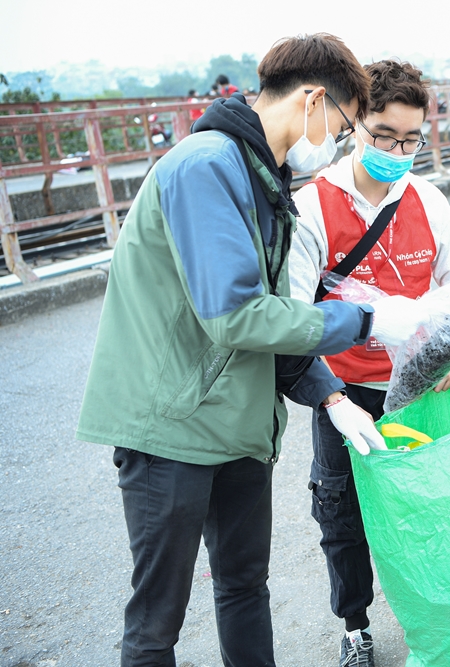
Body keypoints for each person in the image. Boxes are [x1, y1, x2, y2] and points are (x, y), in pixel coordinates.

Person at [76, 34, 428, 666]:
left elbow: (274, 319)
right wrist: (362, 319)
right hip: (172, 427)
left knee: (243, 588)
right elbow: (237, 314)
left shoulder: (265, 175)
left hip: (237, 426)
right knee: (157, 622)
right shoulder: (206, 166)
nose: (343, 142)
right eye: (347, 126)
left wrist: (329, 394)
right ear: (315, 100)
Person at [288, 58, 450, 667]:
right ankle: (356, 626)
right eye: (384, 135)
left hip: (416, 388)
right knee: (342, 514)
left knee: (425, 509)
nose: (398, 150)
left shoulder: (427, 200)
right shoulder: (314, 205)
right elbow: (290, 314)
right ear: (355, 125)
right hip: (342, 393)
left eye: (411, 139)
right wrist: (329, 399)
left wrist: (442, 353)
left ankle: (435, 615)